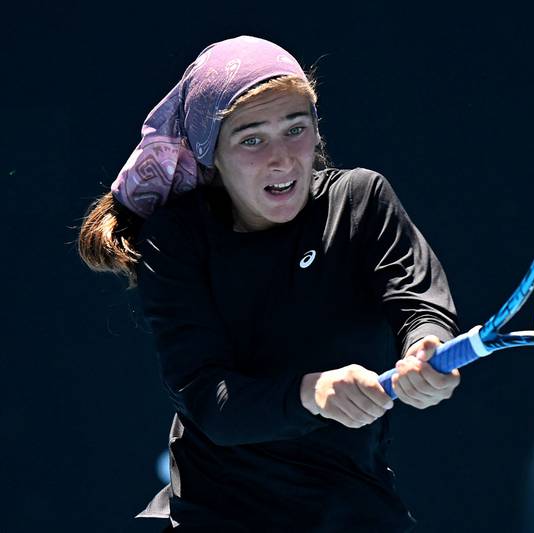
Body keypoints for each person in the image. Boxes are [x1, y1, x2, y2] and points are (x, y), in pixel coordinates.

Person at [77, 36, 460, 532]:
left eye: (296, 130)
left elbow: (420, 306)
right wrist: (312, 392)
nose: (281, 159)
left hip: (355, 504)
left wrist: (427, 349)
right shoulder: (177, 239)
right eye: (251, 139)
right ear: (209, 152)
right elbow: (209, 400)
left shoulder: (361, 201)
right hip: (219, 514)